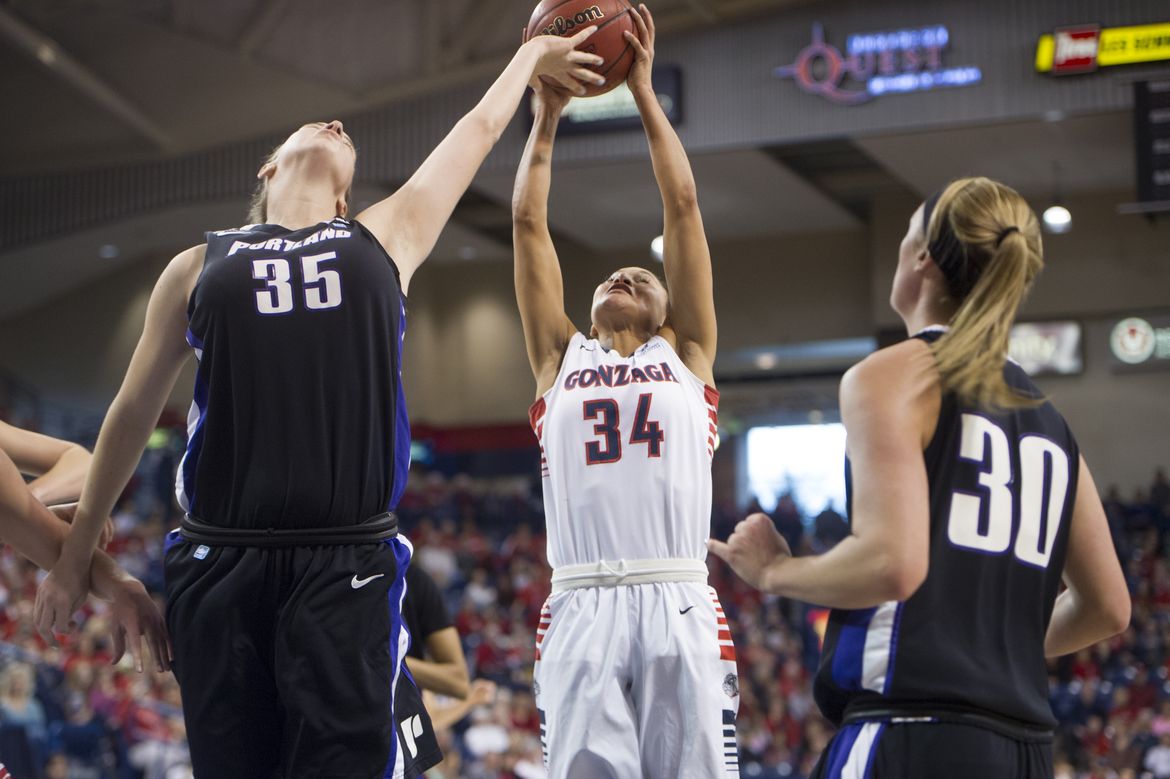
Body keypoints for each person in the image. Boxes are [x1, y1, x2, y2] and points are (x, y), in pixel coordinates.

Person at [33, 25, 606, 779]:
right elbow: (131, 416)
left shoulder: (382, 236)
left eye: (348, 140)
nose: (336, 125)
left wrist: (531, 56)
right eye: (320, 124)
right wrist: (75, 564)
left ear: (344, 196)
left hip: (346, 565)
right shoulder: (196, 264)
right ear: (269, 167)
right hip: (218, 560)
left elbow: (476, 129)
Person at [710, 177, 1131, 777]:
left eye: (908, 233)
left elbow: (893, 564)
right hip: (1025, 749)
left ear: (923, 258)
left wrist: (775, 571)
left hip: (912, 735)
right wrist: (988, 650)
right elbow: (1107, 607)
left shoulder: (892, 375)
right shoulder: (1049, 419)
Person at [513, 7, 737, 777]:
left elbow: (683, 207)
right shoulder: (558, 359)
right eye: (612, 276)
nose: (623, 273)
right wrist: (545, 119)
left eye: (642, 277)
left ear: (671, 311)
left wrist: (644, 91)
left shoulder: (691, 357)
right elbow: (526, 223)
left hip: (678, 595)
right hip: (580, 601)